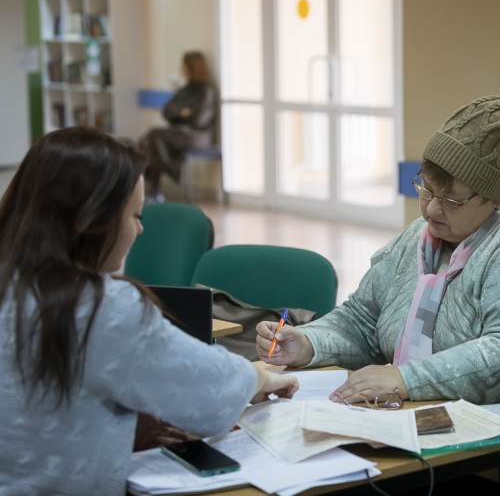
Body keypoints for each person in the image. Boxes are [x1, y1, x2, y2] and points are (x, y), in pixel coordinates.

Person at [257, 95, 500, 492]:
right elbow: (364, 316)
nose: (430, 210)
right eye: (426, 190)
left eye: (451, 200)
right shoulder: (423, 237)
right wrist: (309, 343)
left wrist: (404, 379)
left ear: (492, 197)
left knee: (413, 483)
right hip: (463, 416)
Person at [0, 127, 298, 494]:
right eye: (135, 216)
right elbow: (211, 392)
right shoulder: (100, 307)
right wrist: (263, 378)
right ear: (95, 221)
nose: (139, 230)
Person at [138, 50, 217, 202]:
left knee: (153, 137)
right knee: (149, 144)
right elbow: (167, 111)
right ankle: (161, 184)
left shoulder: (206, 90)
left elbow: (198, 120)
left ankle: (171, 175)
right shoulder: (185, 89)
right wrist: (182, 113)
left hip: (197, 136)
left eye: (184, 66)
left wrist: (178, 113)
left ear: (193, 67)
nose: (181, 69)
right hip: (181, 133)